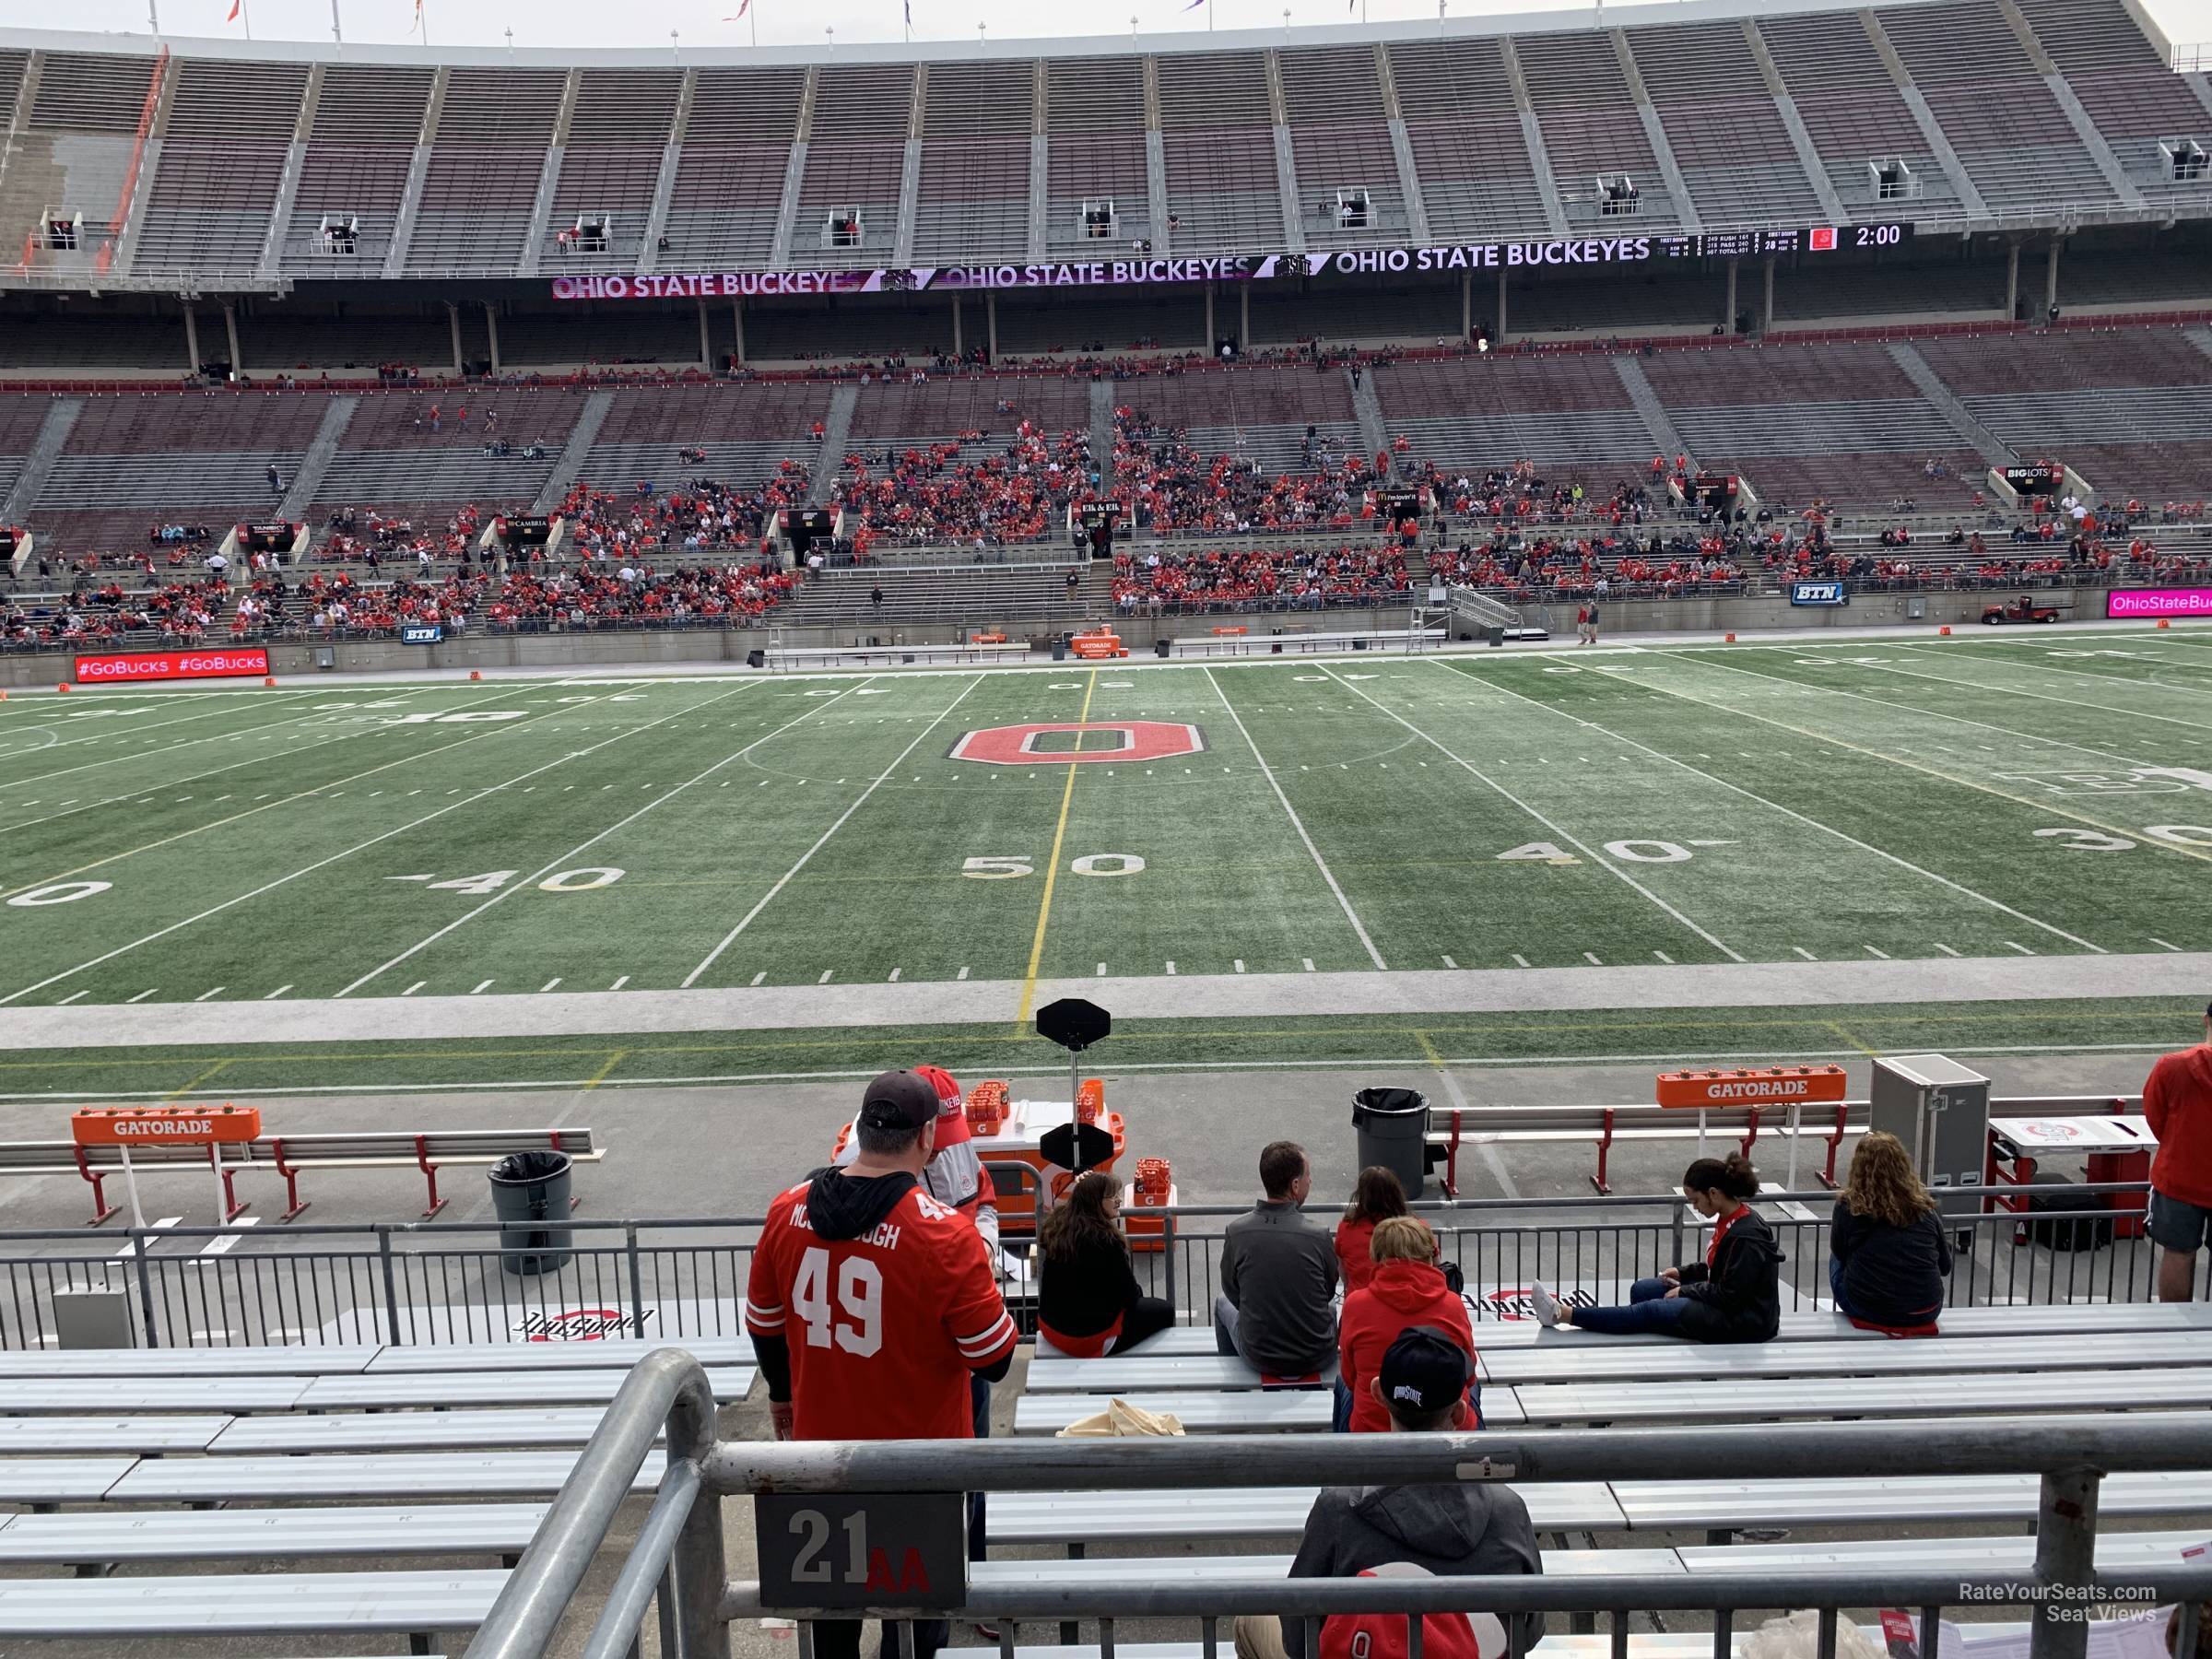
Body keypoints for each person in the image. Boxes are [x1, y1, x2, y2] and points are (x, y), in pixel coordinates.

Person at [747, 1070, 1018, 1659]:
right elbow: (994, 1358)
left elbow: (764, 1323)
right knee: (924, 1627)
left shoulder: (786, 1209)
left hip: (824, 1457)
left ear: (862, 1129)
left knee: (834, 1621)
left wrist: (781, 1394)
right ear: (926, 1137)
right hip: (921, 1467)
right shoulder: (946, 1236)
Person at [1233, 1327, 1543, 1659]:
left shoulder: (1338, 1507)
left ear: (1378, 1393)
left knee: (1250, 1618)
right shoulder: (1509, 1509)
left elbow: (1297, 1638)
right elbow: (1530, 1630)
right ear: (1459, 1414)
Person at [1529, 1153, 1781, 1341]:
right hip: (1730, 1308)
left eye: (1695, 1200)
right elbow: (1723, 1269)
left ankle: (1561, 1314)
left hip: (1744, 1321)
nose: (1695, 1208)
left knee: (1648, 1310)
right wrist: (1685, 1273)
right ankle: (1650, 1354)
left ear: (1713, 1193)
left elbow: (1731, 1293)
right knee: (1643, 1289)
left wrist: (1685, 1292)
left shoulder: (1746, 1235)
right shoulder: (1733, 1220)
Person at [1337, 1217, 1479, 1433]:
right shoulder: (1452, 1305)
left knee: (1342, 1386)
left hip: (1371, 1431)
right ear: (1429, 1256)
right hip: (1448, 1429)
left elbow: (1349, 1377)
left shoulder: (1355, 1305)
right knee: (1475, 1389)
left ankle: (1337, 1461)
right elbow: (1469, 1376)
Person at [1215, 1140, 1339, 1378]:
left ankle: (1230, 1386)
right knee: (1333, 1307)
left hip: (1259, 1355)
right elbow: (1329, 1291)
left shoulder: (1237, 1231)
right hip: (1317, 1354)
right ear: (1295, 1185)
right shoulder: (1318, 1234)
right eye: (1307, 1176)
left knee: (1222, 1303)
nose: (1310, 1181)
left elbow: (1231, 1290)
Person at [1036, 1170, 1177, 1356]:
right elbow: (1130, 1297)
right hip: (1088, 1339)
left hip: (1051, 1329)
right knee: (1165, 1311)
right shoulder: (1106, 1241)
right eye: (1112, 1196)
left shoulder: (1057, 1230)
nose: (1118, 1200)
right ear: (1096, 1203)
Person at [1829, 1130, 1953, 1330]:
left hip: (1868, 1308)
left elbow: (1840, 1253)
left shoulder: (1848, 1206)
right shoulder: (1925, 1207)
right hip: (1926, 1308)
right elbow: (1945, 1267)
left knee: (1836, 1256)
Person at [2145, 1002, 2212, 1302]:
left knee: (2177, 1253)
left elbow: (2155, 1117)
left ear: (2206, 1020)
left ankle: (2174, 1327)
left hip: (2179, 1179)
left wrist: (2178, 1144)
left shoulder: (2172, 1065)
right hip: (2180, 1176)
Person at [1335, 1166, 1409, 1295]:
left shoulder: (1346, 1228)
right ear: (1396, 1193)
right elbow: (1434, 1266)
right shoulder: (1416, 1229)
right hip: (1406, 1303)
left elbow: (1344, 1274)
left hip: (1359, 1305)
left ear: (1361, 1195)